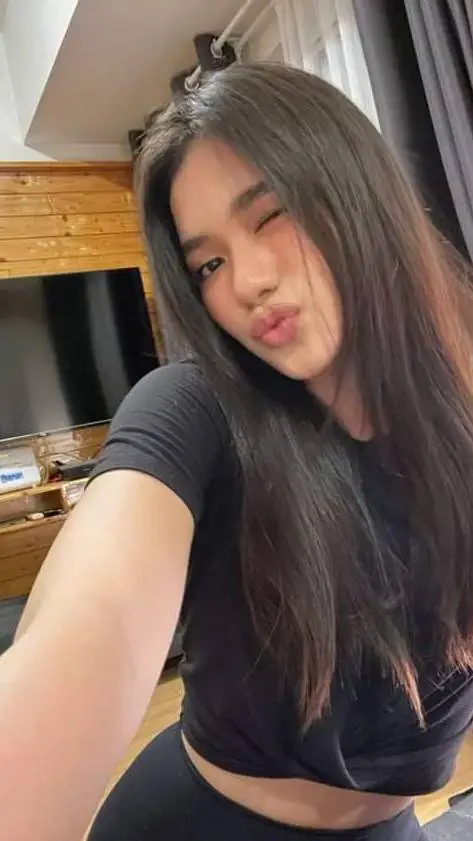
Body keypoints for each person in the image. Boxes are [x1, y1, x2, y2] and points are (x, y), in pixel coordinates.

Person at [2, 63, 473, 841]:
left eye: (271, 214)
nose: (246, 282)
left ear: (357, 189)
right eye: (208, 265)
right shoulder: (192, 408)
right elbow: (90, 622)